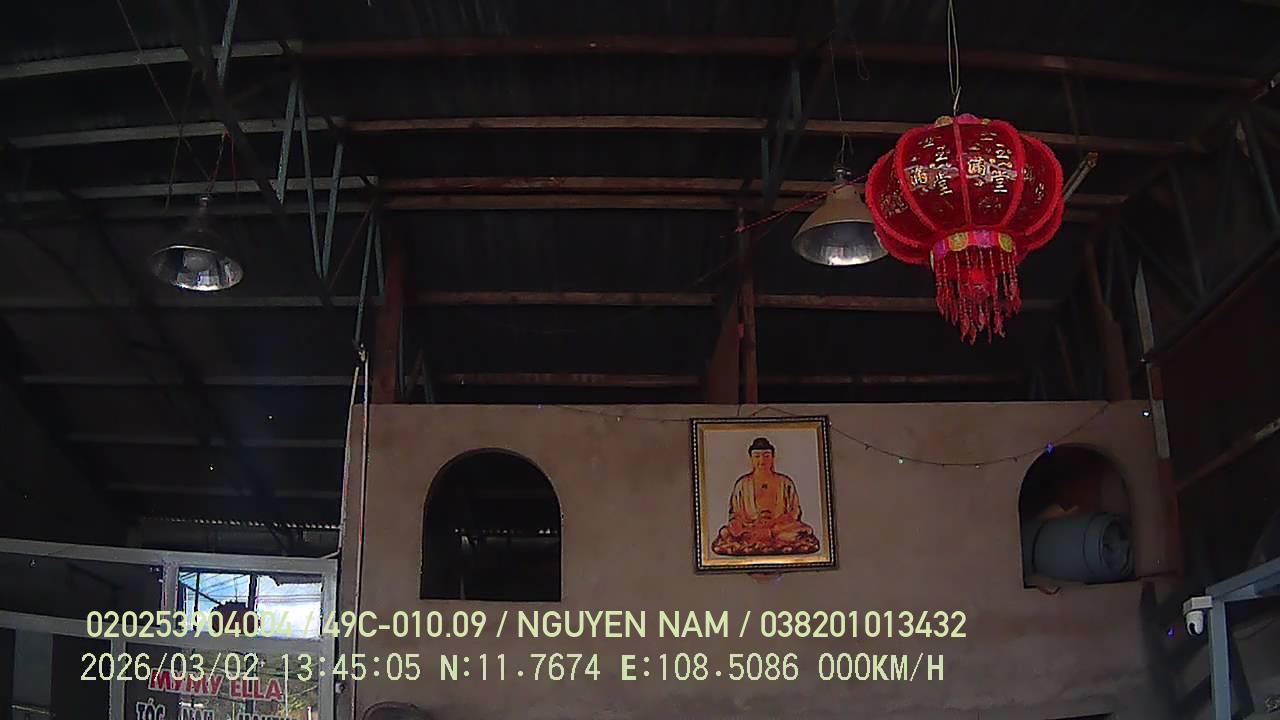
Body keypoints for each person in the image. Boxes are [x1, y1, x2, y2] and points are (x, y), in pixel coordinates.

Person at [712, 437, 819, 556]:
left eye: (766, 456)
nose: (762, 460)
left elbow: (795, 512)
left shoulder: (785, 482)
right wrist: (738, 524)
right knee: (726, 532)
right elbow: (735, 513)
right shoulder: (742, 484)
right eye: (757, 456)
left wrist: (773, 524)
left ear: (773, 457)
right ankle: (768, 540)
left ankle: (762, 539)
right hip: (751, 527)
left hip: (778, 527)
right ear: (751, 458)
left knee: (805, 530)